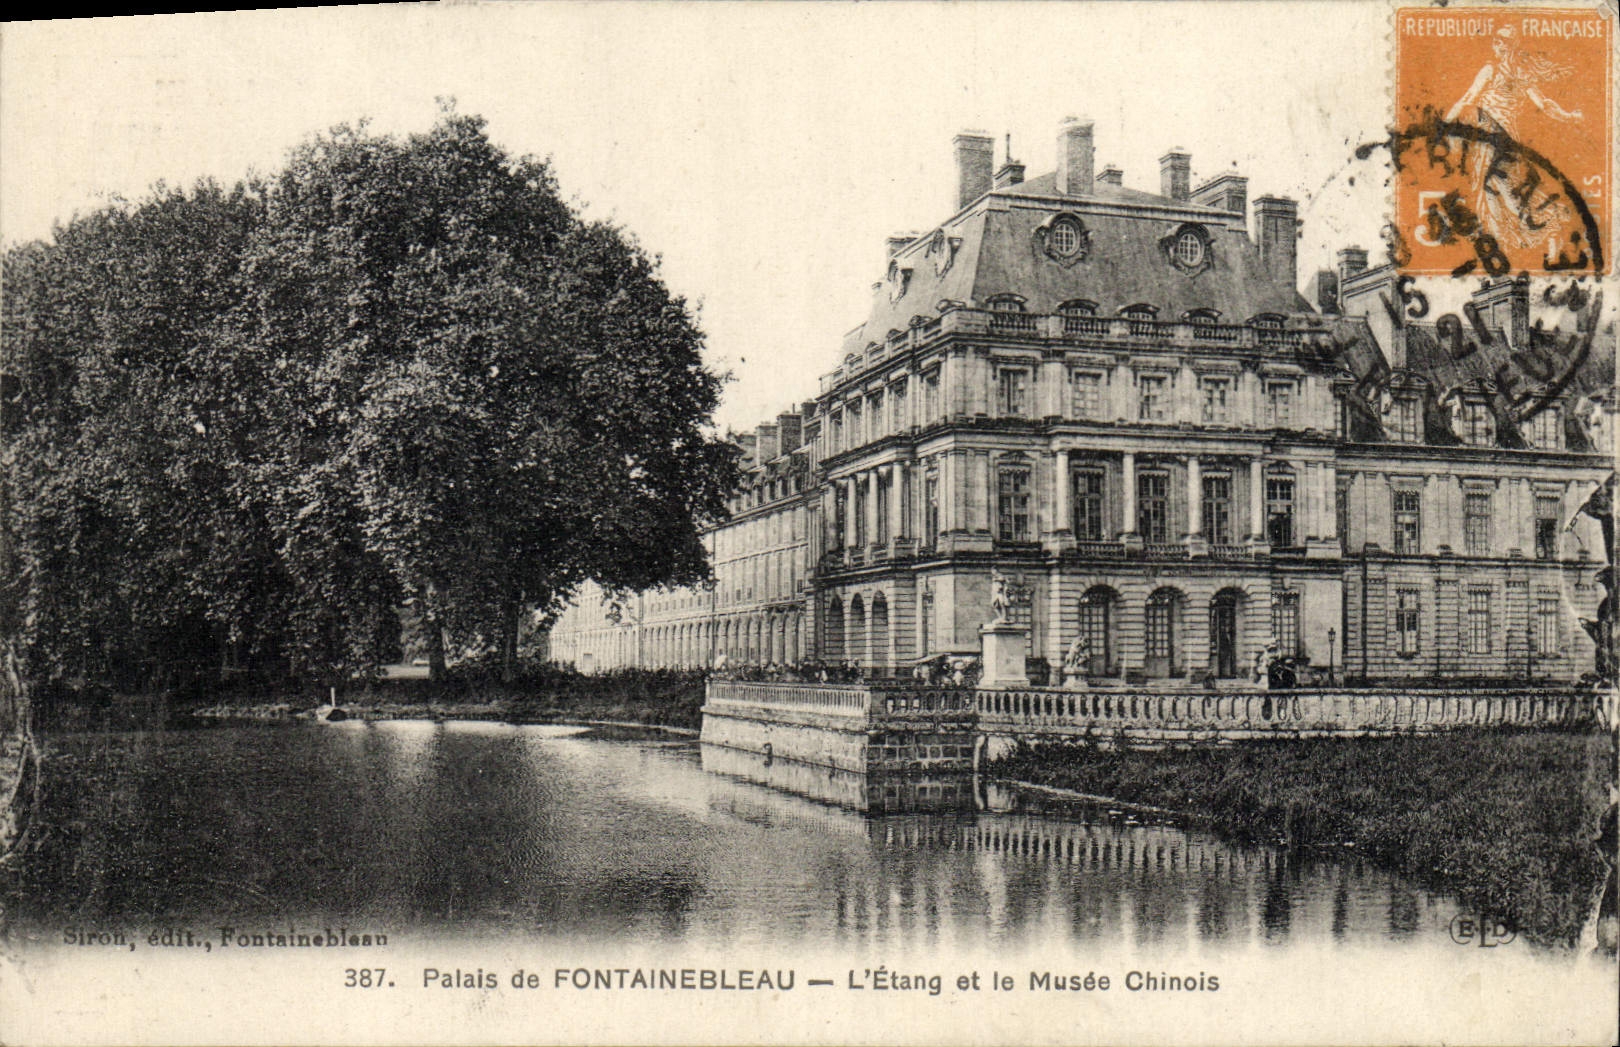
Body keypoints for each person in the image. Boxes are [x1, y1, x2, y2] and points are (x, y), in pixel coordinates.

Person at [1444, 26, 1583, 255]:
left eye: (1504, 42)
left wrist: (1567, 116)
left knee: (1494, 187)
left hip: (1496, 136)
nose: (1499, 46)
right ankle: (1505, 239)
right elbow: (1469, 98)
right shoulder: (1502, 72)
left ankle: (1529, 225)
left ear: (1512, 46)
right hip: (1495, 136)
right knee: (1494, 189)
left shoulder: (1512, 74)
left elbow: (1544, 104)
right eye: (1497, 41)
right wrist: (1444, 124)